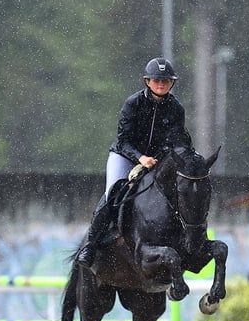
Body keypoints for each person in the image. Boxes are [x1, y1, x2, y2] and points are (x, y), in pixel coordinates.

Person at [76, 57, 192, 268]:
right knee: (112, 192)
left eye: (166, 81)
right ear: (147, 82)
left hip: (157, 159)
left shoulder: (176, 108)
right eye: (157, 80)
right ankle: (89, 247)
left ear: (172, 83)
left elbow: (178, 138)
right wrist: (141, 158)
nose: (161, 84)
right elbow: (123, 141)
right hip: (125, 156)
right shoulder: (133, 103)